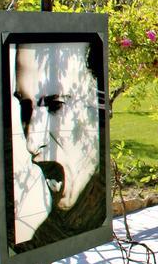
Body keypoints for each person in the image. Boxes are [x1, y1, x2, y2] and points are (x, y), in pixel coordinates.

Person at [12, 40, 105, 250]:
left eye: (55, 105)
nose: (31, 143)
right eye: (25, 107)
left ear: (100, 104)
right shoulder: (39, 240)